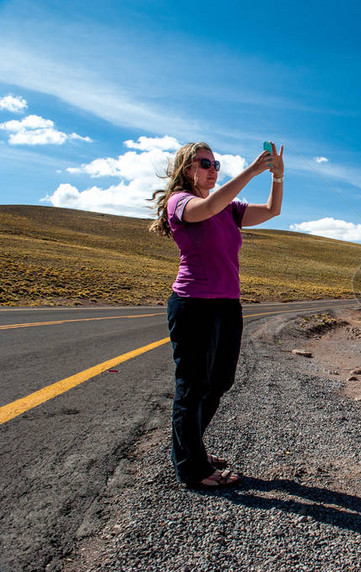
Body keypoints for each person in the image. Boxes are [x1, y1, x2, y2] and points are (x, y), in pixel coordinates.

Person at [149, 141, 284, 488]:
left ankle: (191, 447)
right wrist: (252, 170)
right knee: (192, 387)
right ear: (186, 169)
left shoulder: (229, 208)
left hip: (227, 304)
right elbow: (206, 207)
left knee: (219, 382)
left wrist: (277, 177)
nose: (213, 169)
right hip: (193, 303)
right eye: (205, 163)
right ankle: (191, 469)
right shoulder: (181, 202)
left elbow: (271, 211)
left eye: (216, 164)